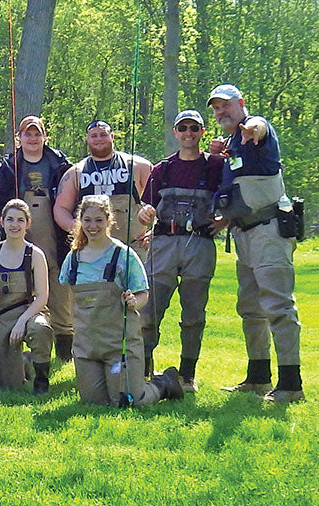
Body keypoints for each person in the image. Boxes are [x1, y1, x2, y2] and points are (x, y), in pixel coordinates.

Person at [207, 84, 304, 402]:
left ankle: (291, 385)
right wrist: (225, 219)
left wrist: (249, 127)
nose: (221, 112)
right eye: (216, 108)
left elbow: (258, 126)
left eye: (226, 105)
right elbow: (239, 192)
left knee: (278, 306)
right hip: (244, 233)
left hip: (269, 231)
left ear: (241, 104)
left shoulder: (256, 129)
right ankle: (259, 377)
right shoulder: (232, 145)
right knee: (250, 308)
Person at [59, 195, 183, 406]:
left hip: (120, 347)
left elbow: (144, 294)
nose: (93, 226)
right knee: (95, 403)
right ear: (80, 220)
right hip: (86, 347)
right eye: (87, 220)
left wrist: (135, 301)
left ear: (109, 220)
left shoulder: (124, 255)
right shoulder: (73, 258)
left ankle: (165, 384)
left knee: (128, 402)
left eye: (99, 220)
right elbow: (70, 298)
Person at [136, 110, 225, 390]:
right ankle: (144, 370)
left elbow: (235, 196)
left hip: (199, 245)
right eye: (183, 128)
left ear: (201, 132)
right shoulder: (162, 169)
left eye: (194, 128)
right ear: (175, 132)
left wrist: (226, 220)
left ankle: (188, 374)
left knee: (194, 314)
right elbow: (145, 206)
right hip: (163, 244)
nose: (188, 133)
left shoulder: (216, 167)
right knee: (150, 310)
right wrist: (144, 213)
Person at [0, 115, 75, 361]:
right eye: (27, 134)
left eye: (36, 133)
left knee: (60, 291)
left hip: (54, 237)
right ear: (19, 138)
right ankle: (21, 345)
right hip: (19, 238)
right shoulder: (8, 166)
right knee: (21, 290)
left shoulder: (61, 164)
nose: (32, 138)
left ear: (44, 137)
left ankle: (64, 349)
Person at [0, 200, 53, 393]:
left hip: (30, 311)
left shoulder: (35, 254)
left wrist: (22, 321)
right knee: (8, 383)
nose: (14, 225)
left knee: (40, 329)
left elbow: (43, 297)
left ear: (28, 224)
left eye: (20, 220)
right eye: (10, 219)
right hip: (0, 315)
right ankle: (24, 362)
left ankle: (41, 380)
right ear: (1, 222)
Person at [53, 120, 152, 257]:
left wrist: (154, 233)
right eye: (94, 136)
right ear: (87, 139)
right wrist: (75, 227)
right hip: (91, 250)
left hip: (134, 248)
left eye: (103, 135)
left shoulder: (138, 166)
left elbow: (161, 201)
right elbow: (60, 208)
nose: (99, 139)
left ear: (112, 137)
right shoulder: (75, 173)